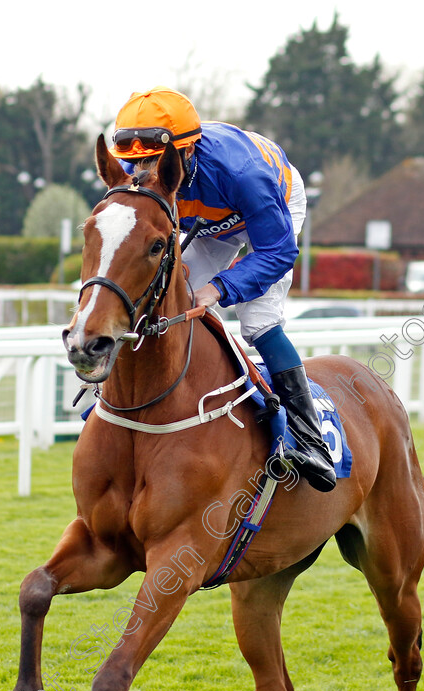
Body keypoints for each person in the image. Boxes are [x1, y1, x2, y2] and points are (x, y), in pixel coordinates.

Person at [110, 86, 336, 492]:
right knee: (165, 298)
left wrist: (220, 288)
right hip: (208, 217)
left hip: (268, 209)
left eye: (152, 162)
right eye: (134, 163)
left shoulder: (244, 173)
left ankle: (309, 438)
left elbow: (278, 250)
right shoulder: (140, 174)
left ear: (187, 152)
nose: (141, 174)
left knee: (257, 319)